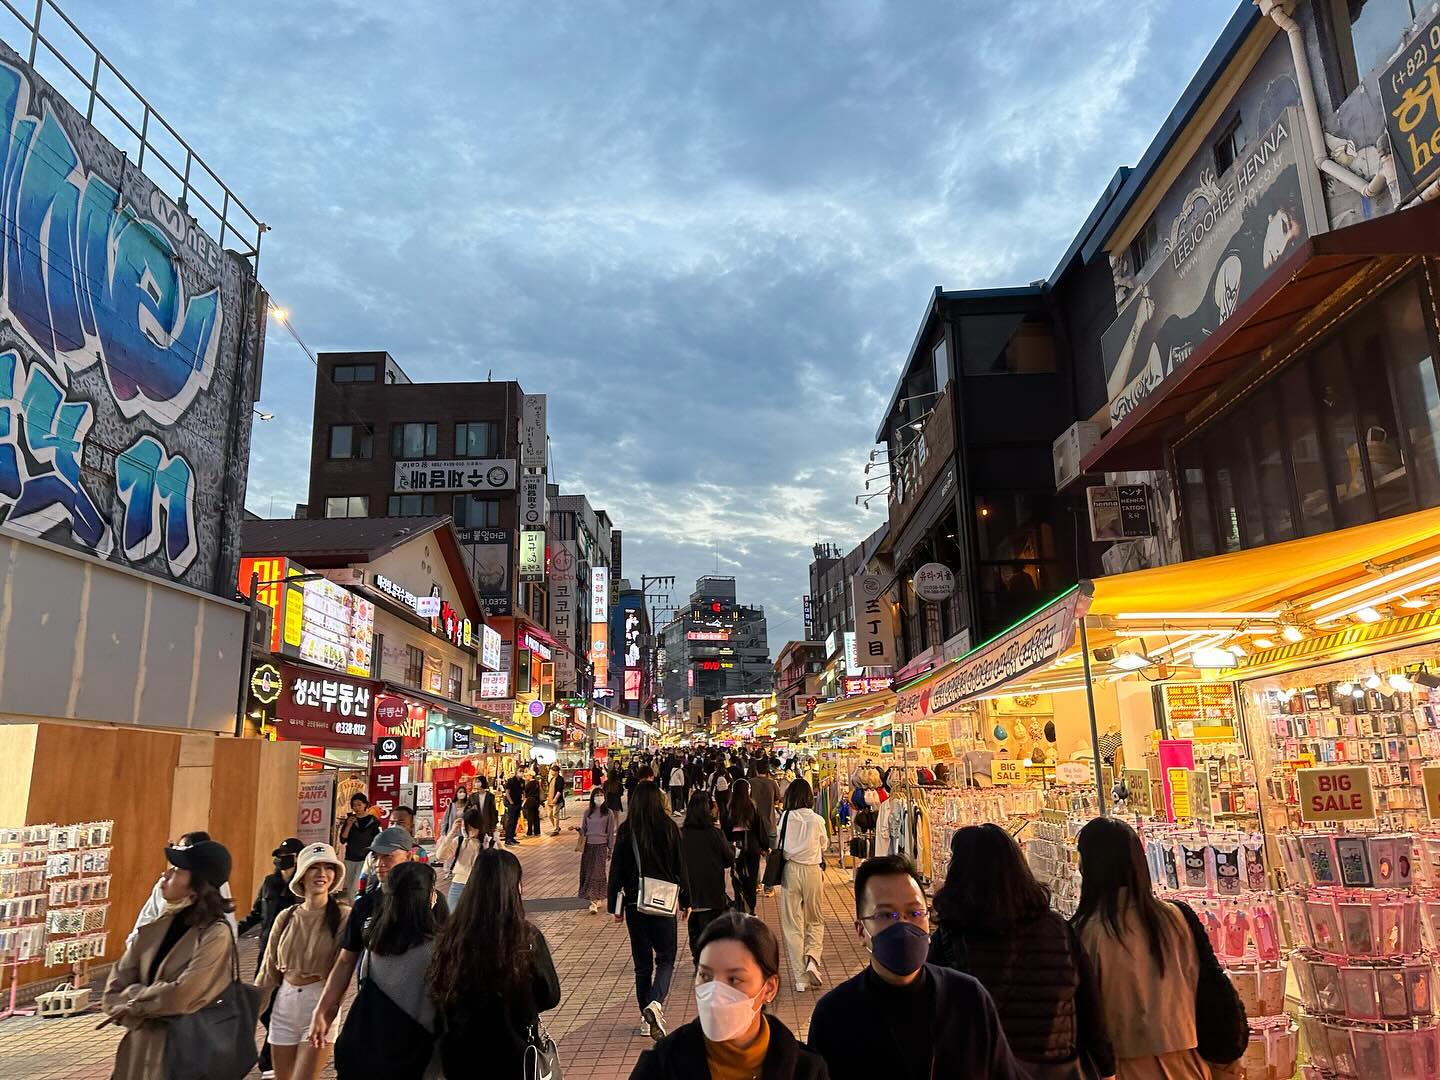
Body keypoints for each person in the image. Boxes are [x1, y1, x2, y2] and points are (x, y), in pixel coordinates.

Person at [808, 855, 1023, 1080]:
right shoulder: (835, 1015)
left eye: (914, 913)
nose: (902, 925)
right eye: (885, 915)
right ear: (861, 930)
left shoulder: (968, 998)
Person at [929, 824, 1115, 1080]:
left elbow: (935, 1019)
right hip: (1058, 1070)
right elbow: (1089, 1008)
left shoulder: (950, 937)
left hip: (986, 1070)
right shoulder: (1058, 929)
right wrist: (1106, 1068)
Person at [1072, 817, 1208, 1080]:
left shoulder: (1087, 931)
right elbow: (1202, 985)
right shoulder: (1176, 918)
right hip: (1188, 1062)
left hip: (1121, 1066)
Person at [629, 912, 828, 1080]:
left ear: (769, 988)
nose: (716, 993)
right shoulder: (660, 1067)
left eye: (734, 979)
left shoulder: (806, 1070)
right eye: (706, 976)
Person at [103, 841, 239, 1080]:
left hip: (183, 1051)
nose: (165, 875)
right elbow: (112, 991)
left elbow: (183, 996)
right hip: (137, 1051)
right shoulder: (153, 928)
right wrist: (147, 998)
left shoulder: (214, 933)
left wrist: (132, 1002)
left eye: (177, 870)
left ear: (197, 885)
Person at [429, 848, 562, 1077]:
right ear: (514, 887)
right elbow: (550, 996)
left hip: (461, 1054)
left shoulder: (451, 936)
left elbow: (437, 991)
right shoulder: (525, 937)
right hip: (514, 1053)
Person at [307, 825, 446, 1042]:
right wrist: (325, 1008)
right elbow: (345, 961)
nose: (380, 864)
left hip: (420, 1016)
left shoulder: (433, 902)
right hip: (375, 1010)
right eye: (376, 857)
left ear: (409, 856)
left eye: (388, 857)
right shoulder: (365, 905)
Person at [317, 861, 440, 1067]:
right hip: (405, 1056)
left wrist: (323, 1010)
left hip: (361, 1050)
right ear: (427, 897)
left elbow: (350, 968)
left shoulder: (375, 943)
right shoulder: (437, 949)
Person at [258, 843, 350, 1080]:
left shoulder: (344, 915)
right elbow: (268, 972)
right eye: (314, 867)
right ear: (301, 874)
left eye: (328, 867)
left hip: (320, 1001)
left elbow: (343, 970)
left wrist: (327, 1013)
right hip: (285, 1003)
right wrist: (248, 1015)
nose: (321, 874)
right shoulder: (286, 917)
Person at [609, 780, 691, 1041]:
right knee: (666, 958)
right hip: (664, 904)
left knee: (642, 965)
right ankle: (655, 1003)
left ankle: (646, 1021)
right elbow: (681, 867)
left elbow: (616, 873)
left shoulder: (626, 831)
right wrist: (686, 899)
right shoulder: (669, 829)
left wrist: (615, 906)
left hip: (635, 905)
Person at [238, 837, 303, 1079]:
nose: (281, 859)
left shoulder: (303, 886)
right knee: (262, 1007)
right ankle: (276, 1051)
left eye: (288, 855)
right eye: (280, 854)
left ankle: (269, 1060)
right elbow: (257, 914)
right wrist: (235, 930)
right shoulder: (270, 883)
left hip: (291, 958)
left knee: (280, 1008)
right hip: (265, 955)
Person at [126, 830, 237, 949]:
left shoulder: (214, 930)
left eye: (181, 850)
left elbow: (228, 928)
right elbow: (145, 920)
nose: (166, 874)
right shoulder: (165, 885)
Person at [775, 778, 828, 991]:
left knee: (792, 924)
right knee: (815, 919)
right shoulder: (817, 820)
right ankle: (812, 960)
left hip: (790, 870)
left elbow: (779, 842)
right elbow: (824, 844)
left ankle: (800, 978)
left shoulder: (785, 817)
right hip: (813, 870)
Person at [681, 791, 734, 964]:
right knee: (713, 927)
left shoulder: (681, 834)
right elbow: (728, 860)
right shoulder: (715, 833)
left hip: (690, 890)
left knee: (695, 925)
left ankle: (699, 959)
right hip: (713, 890)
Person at [725, 779, 767, 916]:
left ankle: (739, 906)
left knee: (737, 878)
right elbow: (759, 828)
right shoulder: (752, 807)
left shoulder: (730, 808)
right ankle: (751, 909)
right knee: (751, 878)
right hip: (752, 848)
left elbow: (726, 831)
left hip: (736, 848)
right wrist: (764, 846)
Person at [435, 806, 487, 908]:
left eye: (473, 827)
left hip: (480, 885)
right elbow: (440, 856)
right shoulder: (459, 841)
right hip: (458, 884)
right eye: (467, 827)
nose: (470, 830)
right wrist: (452, 832)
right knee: (452, 917)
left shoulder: (488, 842)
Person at [579, 782, 618, 914]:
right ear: (592, 798)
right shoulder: (587, 813)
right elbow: (584, 829)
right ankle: (594, 899)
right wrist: (578, 830)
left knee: (598, 873)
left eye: (601, 795)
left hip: (601, 846)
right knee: (589, 873)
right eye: (597, 795)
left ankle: (596, 899)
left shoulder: (608, 813)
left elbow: (610, 833)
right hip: (589, 846)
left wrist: (610, 849)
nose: (599, 797)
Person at [339, 794, 381, 896]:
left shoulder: (373, 821)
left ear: (365, 805)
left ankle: (356, 909)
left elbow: (377, 839)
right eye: (354, 805)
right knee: (350, 888)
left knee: (356, 887)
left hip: (365, 858)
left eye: (359, 805)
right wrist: (349, 825)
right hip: (350, 858)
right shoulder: (350, 820)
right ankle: (353, 909)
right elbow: (343, 839)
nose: (356, 808)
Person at [474, 776, 500, 848]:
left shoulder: (490, 796)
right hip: (477, 824)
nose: (476, 783)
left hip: (488, 823)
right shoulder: (473, 797)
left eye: (478, 781)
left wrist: (494, 824)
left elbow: (493, 811)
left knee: (489, 842)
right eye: (476, 782)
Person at [504, 770, 526, 845]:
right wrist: (510, 802)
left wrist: (523, 798)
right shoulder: (511, 780)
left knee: (515, 820)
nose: (521, 773)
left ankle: (512, 837)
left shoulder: (522, 781)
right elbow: (507, 792)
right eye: (520, 772)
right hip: (512, 803)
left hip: (518, 802)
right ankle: (508, 838)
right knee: (511, 821)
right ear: (517, 772)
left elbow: (523, 791)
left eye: (522, 772)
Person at [547, 763, 568, 836]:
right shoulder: (552, 779)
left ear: (556, 772)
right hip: (550, 799)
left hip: (557, 800)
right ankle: (556, 827)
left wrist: (556, 798)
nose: (551, 772)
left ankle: (555, 830)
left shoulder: (560, 779)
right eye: (551, 771)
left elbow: (559, 790)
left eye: (552, 771)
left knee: (555, 814)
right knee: (549, 815)